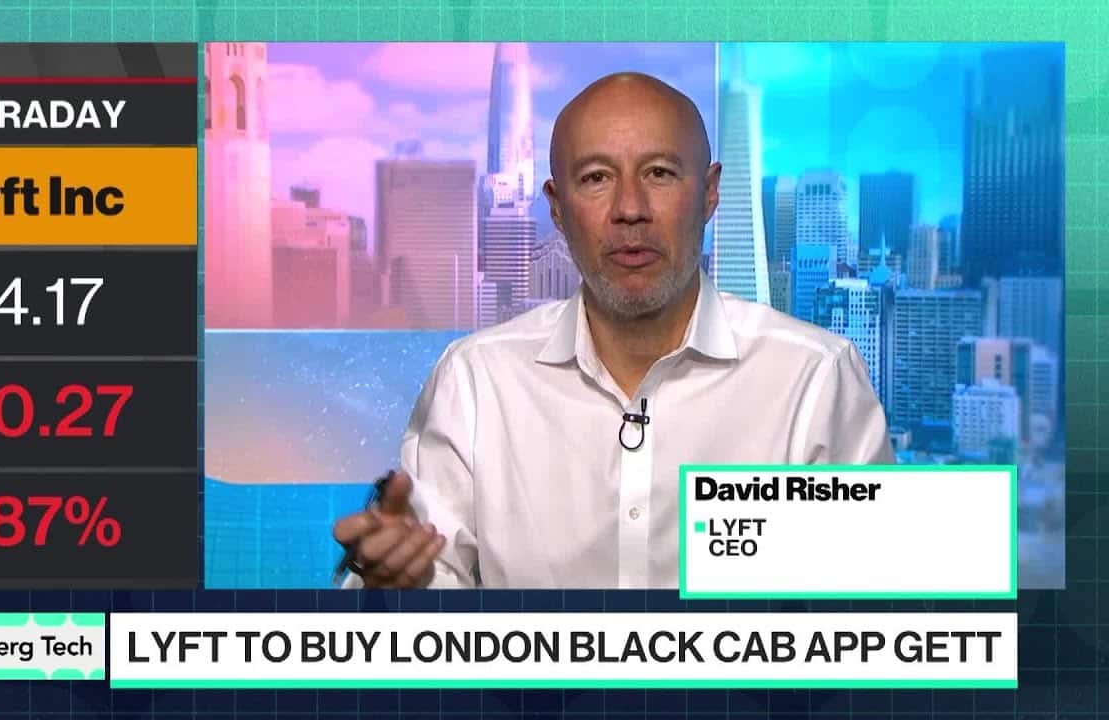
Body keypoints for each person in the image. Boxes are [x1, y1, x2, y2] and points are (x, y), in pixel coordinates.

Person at [332, 72, 895, 590]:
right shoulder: (477, 380)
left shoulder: (813, 378)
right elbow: (425, 586)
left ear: (710, 193)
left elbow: (879, 621)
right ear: (557, 208)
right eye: (596, 178)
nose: (630, 209)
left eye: (659, 173)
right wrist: (395, 588)